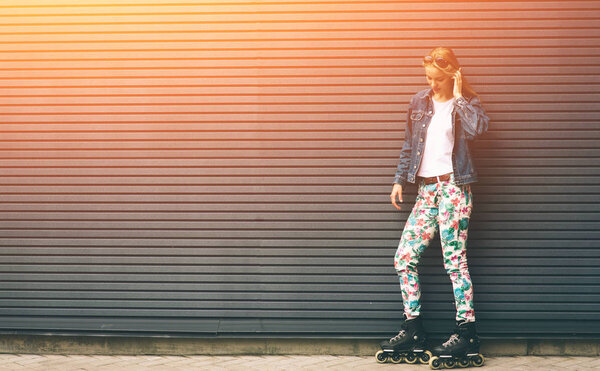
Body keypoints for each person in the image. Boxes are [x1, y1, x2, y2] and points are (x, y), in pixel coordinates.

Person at [378, 47, 489, 367]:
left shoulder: (465, 104)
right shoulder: (419, 102)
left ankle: (466, 332)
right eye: (428, 78)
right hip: (426, 191)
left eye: (438, 78)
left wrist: (457, 95)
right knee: (403, 258)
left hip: (454, 189)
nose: (432, 84)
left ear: (452, 74)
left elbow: (478, 130)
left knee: (455, 262)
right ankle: (413, 328)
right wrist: (400, 179)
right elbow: (409, 144)